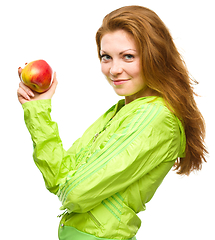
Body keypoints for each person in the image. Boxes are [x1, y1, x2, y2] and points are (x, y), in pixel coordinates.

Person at [17, 5, 207, 240]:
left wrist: (69, 184)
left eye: (128, 56)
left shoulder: (156, 118)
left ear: (154, 56)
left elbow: (74, 194)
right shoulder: (121, 111)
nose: (114, 70)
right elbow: (58, 180)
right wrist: (37, 109)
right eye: (106, 57)